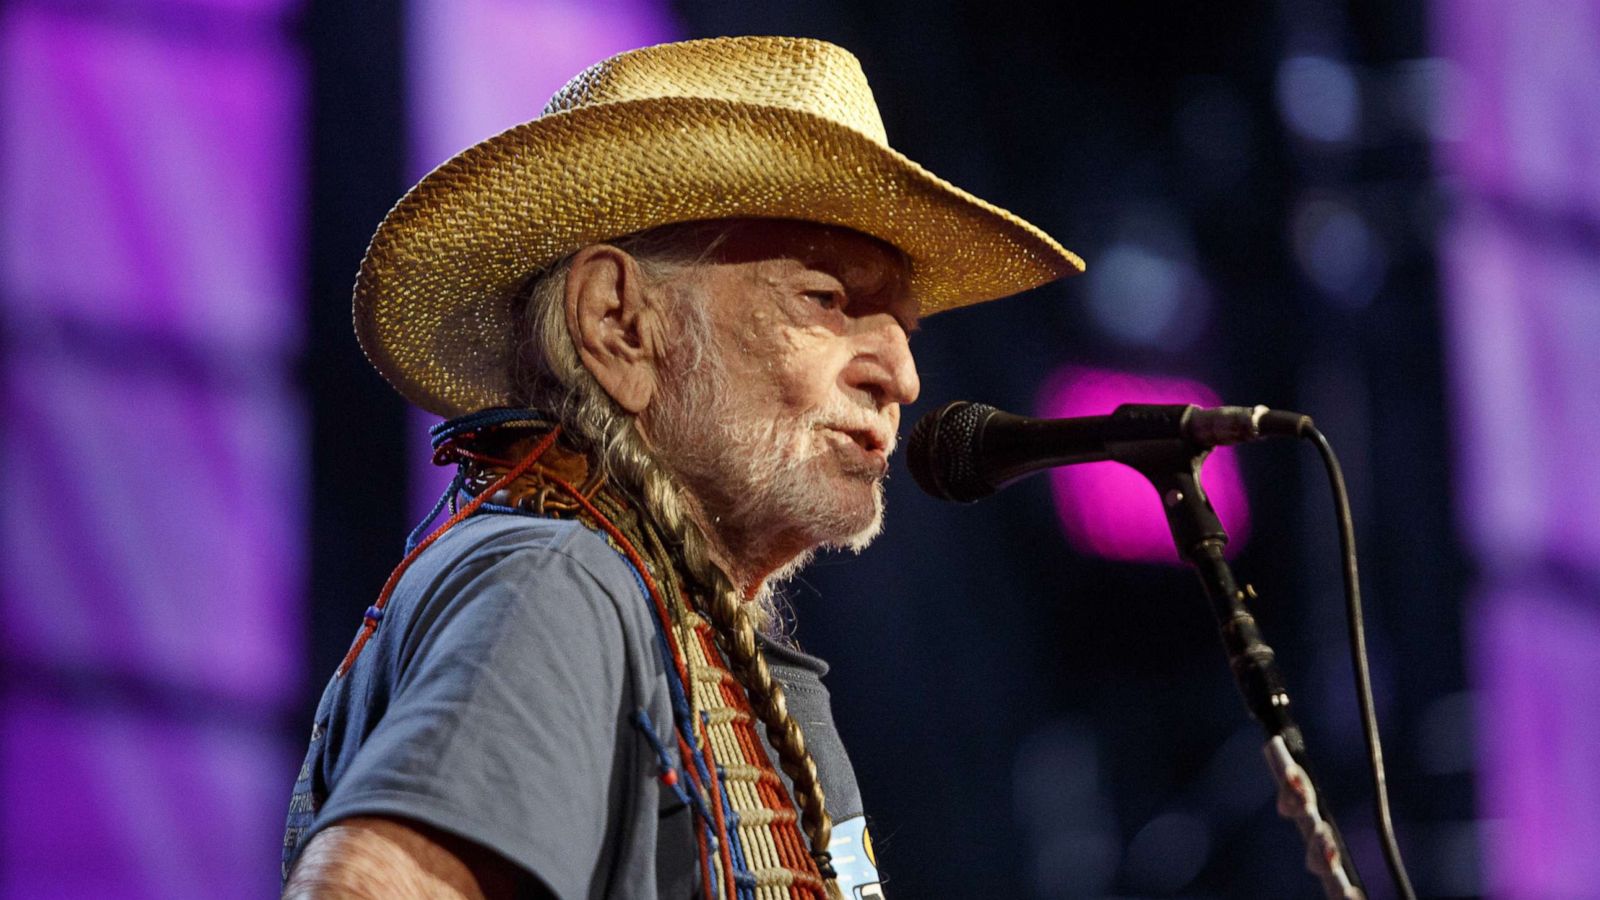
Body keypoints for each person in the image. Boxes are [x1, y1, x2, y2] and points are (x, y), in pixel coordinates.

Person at [280, 35, 1081, 899]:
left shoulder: (685, 635)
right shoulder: (557, 583)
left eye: (903, 327)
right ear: (620, 323)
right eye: (827, 300)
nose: (902, 375)